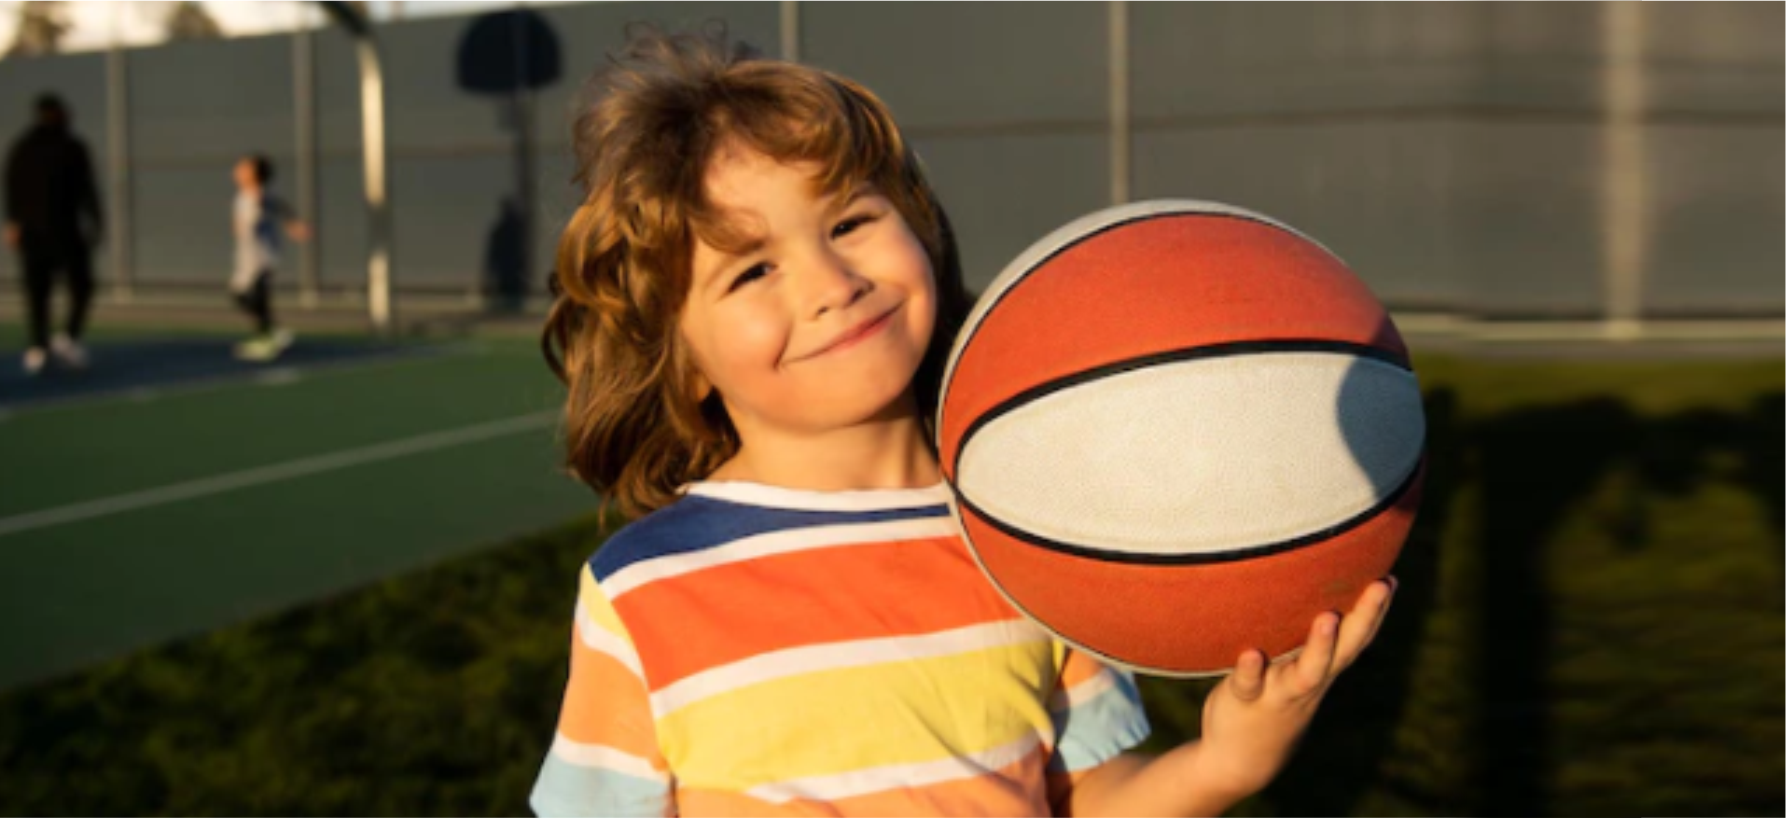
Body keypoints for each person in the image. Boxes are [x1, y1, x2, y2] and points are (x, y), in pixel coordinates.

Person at [529, 30, 1397, 817]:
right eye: (752, 272)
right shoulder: (642, 590)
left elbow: (1085, 798)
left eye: (850, 221)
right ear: (683, 363)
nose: (830, 282)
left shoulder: (1044, 541)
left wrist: (1224, 762)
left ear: (920, 232)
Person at [2, 93, 102, 375]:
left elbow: (87, 188)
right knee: (37, 292)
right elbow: (11, 185)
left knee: (82, 285)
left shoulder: (73, 147)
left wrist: (95, 221)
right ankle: (38, 345)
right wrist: (12, 222)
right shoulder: (24, 148)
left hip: (66, 230)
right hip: (34, 233)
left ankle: (68, 337)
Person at [229, 153, 308, 362]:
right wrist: (292, 223)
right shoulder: (244, 195)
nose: (238, 170)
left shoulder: (257, 196)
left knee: (256, 297)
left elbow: (271, 207)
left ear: (253, 174)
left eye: (244, 167)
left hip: (260, 258)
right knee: (241, 296)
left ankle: (266, 339)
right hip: (246, 257)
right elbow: (279, 207)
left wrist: (292, 224)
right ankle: (272, 333)